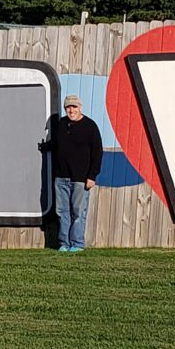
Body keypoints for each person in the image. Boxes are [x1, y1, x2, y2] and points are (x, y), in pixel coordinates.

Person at [52, 94, 102, 252]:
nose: (71, 110)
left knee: (78, 212)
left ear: (80, 107)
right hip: (61, 177)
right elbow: (56, 143)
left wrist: (92, 176)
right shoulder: (61, 124)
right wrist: (44, 146)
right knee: (61, 212)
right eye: (68, 107)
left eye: (74, 107)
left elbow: (97, 153)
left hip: (80, 178)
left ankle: (77, 244)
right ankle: (64, 244)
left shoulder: (90, 126)